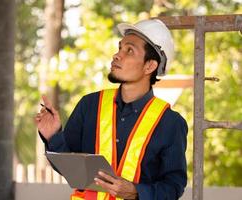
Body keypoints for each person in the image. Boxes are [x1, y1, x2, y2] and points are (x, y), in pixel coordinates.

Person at [35, 19, 188, 200]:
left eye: (129, 50)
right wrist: (53, 136)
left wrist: (136, 192)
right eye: (119, 48)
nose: (117, 55)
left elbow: (173, 187)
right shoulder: (89, 106)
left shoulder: (170, 123)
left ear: (150, 66)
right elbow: (70, 167)